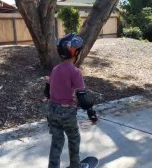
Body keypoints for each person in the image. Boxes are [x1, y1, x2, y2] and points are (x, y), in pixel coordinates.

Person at [44, 33, 98, 168]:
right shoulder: (76, 72)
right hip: (67, 112)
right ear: (76, 52)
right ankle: (76, 166)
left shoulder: (55, 69)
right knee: (74, 139)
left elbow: (47, 93)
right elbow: (83, 99)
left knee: (57, 142)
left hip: (52, 110)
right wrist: (91, 113)